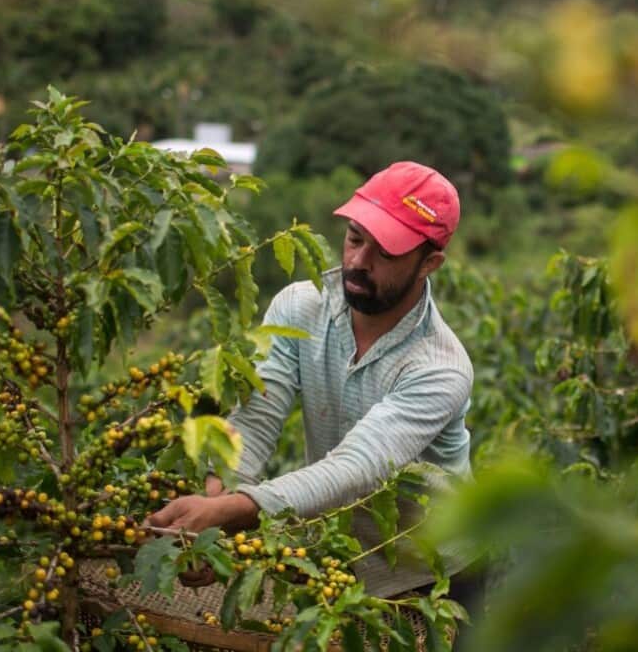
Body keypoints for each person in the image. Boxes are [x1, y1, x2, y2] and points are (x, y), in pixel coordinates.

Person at [146, 160, 477, 601]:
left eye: (385, 253)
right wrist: (209, 506)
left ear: (428, 263)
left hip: (434, 576)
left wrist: (230, 511)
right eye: (355, 238)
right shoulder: (300, 309)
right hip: (340, 561)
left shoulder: (440, 368)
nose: (358, 262)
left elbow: (359, 468)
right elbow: (256, 419)